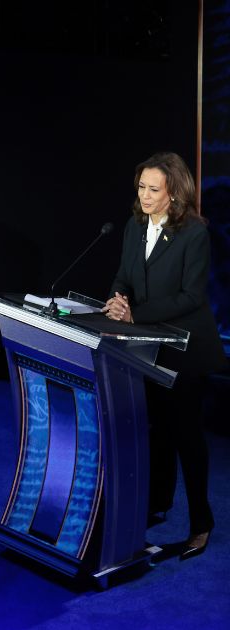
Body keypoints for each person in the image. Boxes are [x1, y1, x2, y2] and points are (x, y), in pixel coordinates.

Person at [103, 151, 226, 560]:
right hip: (146, 347)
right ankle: (157, 504)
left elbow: (191, 296)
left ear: (174, 193)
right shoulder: (134, 226)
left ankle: (201, 524)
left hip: (186, 350)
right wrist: (118, 300)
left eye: (154, 189)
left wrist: (136, 313)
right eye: (141, 187)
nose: (145, 196)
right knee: (155, 430)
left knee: (187, 437)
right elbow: (124, 275)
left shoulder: (194, 233)